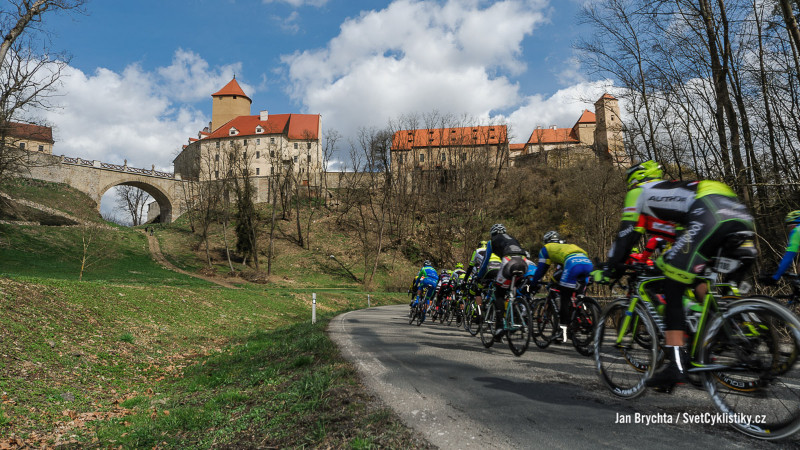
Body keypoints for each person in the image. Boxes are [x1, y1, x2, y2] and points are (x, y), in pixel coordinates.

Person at [594, 160, 755, 392]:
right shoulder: (673, 190)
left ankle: (676, 366)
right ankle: (717, 336)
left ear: (635, 179)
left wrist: (610, 268)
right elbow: (670, 234)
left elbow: (626, 235)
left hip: (708, 213)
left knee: (673, 286)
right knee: (697, 281)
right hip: (738, 213)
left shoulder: (639, 192)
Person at [529, 231, 594, 342]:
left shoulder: (546, 249)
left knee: (565, 297)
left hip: (573, 264)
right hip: (587, 264)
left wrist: (534, 283)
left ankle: (561, 331)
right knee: (577, 295)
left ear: (546, 242)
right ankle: (581, 315)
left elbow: (541, 270)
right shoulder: (567, 246)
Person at [475, 224, 529, 341]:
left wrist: (479, 277)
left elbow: (485, 262)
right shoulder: (512, 238)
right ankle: (518, 314)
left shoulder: (491, 242)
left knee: (499, 292)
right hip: (524, 261)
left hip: (509, 261)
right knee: (512, 290)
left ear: (492, 233)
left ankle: (499, 327)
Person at [760, 210, 800, 285]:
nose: (789, 229)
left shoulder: (797, 231)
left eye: (788, 226)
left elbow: (788, 258)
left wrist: (775, 277)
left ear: (793, 224)